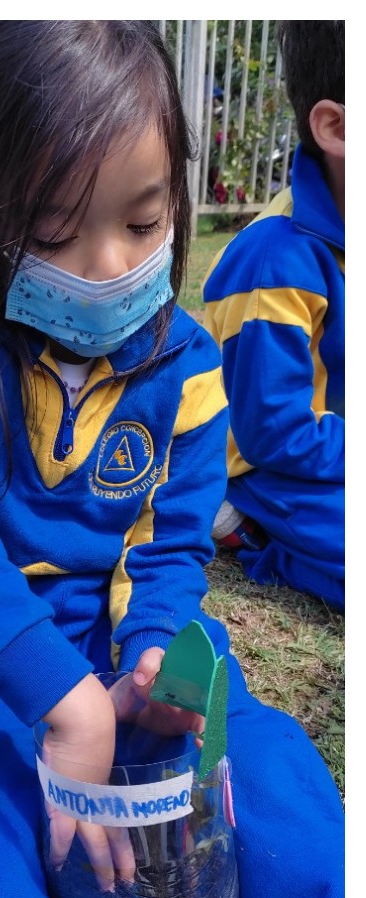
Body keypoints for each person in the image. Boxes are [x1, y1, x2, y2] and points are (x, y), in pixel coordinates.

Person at [0, 21, 343, 898]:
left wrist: (155, 654)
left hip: (125, 632)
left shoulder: (189, 362)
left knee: (272, 776)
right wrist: (64, 697)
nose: (106, 265)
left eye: (144, 220)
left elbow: (171, 544)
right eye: (48, 232)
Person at [202, 21, 344, 609]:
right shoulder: (275, 263)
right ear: (337, 128)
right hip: (270, 466)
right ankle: (255, 533)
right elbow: (272, 433)